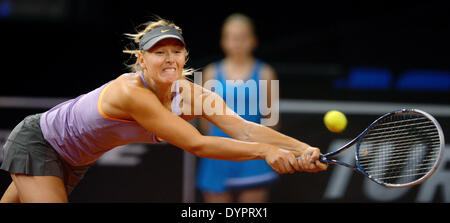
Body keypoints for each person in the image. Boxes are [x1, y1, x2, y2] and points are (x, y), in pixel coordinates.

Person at [0, 17, 327, 203]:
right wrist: (267, 152)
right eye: (159, 52)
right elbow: (197, 144)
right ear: (141, 60)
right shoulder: (131, 91)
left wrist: (301, 149)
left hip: (72, 159)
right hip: (40, 142)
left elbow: (243, 128)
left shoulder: (192, 93)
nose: (169, 58)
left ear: (184, 58)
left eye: (176, 51)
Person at [196, 14, 280, 203]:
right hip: (217, 159)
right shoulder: (210, 72)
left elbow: (272, 120)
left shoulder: (266, 73)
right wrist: (220, 145)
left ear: (253, 40)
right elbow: (204, 122)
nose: (237, 43)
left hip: (254, 160)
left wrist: (266, 149)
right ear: (223, 41)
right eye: (232, 37)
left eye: (243, 37)